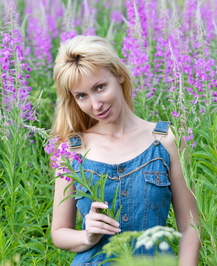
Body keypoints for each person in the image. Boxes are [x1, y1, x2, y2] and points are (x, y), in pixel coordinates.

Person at [51, 35, 200, 265]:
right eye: (82, 96)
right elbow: (59, 232)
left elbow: (191, 226)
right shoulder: (72, 151)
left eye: (100, 87)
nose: (95, 104)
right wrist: (87, 236)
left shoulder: (166, 141)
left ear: (119, 74)